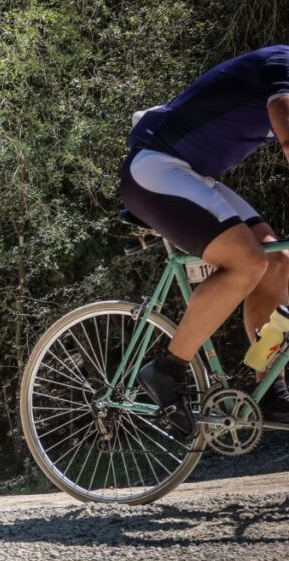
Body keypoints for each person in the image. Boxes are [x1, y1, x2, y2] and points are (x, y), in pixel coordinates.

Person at [119, 45, 289, 438]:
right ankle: (167, 369)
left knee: (277, 261)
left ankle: (270, 389)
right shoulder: (282, 64)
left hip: (193, 175)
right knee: (247, 260)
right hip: (156, 168)